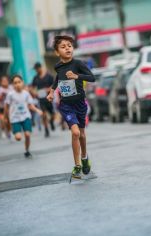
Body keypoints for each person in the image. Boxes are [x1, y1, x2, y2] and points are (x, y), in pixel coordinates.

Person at [47, 35, 95, 179]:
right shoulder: (58, 67)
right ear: (57, 52)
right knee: (75, 133)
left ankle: (85, 157)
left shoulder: (78, 64)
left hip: (80, 103)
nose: (67, 48)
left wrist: (77, 76)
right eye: (63, 46)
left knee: (82, 134)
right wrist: (51, 91)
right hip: (66, 104)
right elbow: (58, 79)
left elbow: (92, 77)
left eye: (69, 45)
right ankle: (77, 165)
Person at [5, 75, 43, 158]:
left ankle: (27, 150)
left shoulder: (26, 94)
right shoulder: (10, 95)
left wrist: (37, 110)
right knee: (18, 138)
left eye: (19, 82)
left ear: (22, 83)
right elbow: (6, 107)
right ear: (12, 85)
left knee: (27, 135)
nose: (17, 84)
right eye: (15, 83)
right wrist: (6, 117)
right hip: (15, 118)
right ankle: (16, 132)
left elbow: (30, 105)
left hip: (26, 116)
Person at [32, 62, 55, 137]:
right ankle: (46, 129)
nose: (36, 70)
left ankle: (51, 122)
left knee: (52, 114)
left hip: (49, 98)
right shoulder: (36, 78)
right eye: (35, 69)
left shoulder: (49, 76)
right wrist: (34, 92)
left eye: (37, 69)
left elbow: (54, 84)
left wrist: (48, 89)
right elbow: (32, 87)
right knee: (44, 114)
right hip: (41, 99)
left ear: (40, 67)